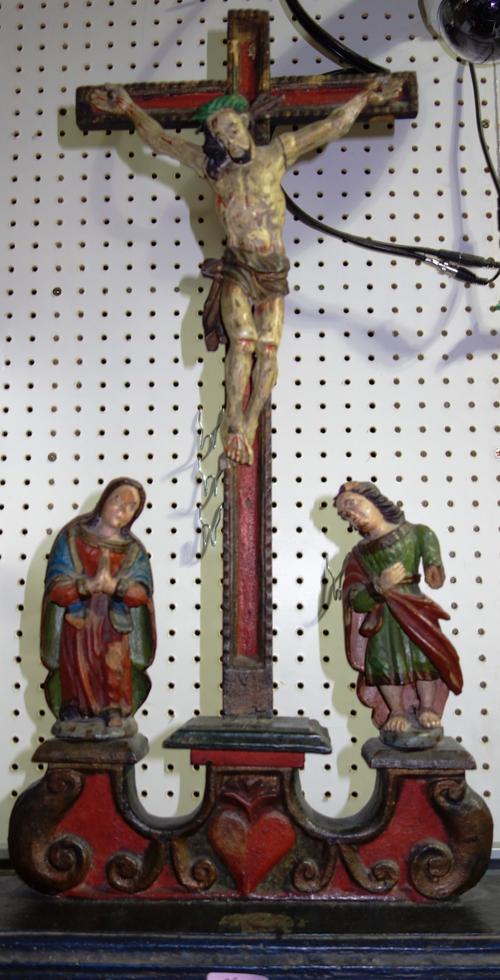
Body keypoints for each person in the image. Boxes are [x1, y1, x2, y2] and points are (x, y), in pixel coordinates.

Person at [90, 78, 401, 465]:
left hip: (272, 269)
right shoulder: (213, 169)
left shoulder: (277, 154)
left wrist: (366, 96)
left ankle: (250, 421)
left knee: (268, 349)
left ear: (246, 123)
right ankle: (234, 423)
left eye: (233, 128)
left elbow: (332, 125)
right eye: (220, 135)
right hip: (237, 265)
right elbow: (162, 141)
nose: (229, 139)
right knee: (243, 343)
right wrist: (129, 108)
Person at [334, 481, 463, 744]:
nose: (352, 516)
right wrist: (377, 587)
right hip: (383, 616)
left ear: (374, 500)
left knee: (425, 657)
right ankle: (396, 710)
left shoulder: (418, 534)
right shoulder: (359, 555)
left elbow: (435, 576)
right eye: (345, 515)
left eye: (352, 505)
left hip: (416, 608)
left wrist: (434, 570)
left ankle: (427, 707)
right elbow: (356, 601)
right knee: (382, 662)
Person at [41, 478, 156, 739]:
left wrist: (117, 586)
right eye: (118, 501)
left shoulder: (133, 551)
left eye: (131, 507)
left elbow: (142, 593)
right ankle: (72, 707)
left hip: (113, 623)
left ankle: (113, 708)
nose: (121, 510)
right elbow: (56, 586)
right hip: (78, 621)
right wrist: (85, 586)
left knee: (112, 663)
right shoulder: (72, 539)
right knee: (74, 665)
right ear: (104, 501)